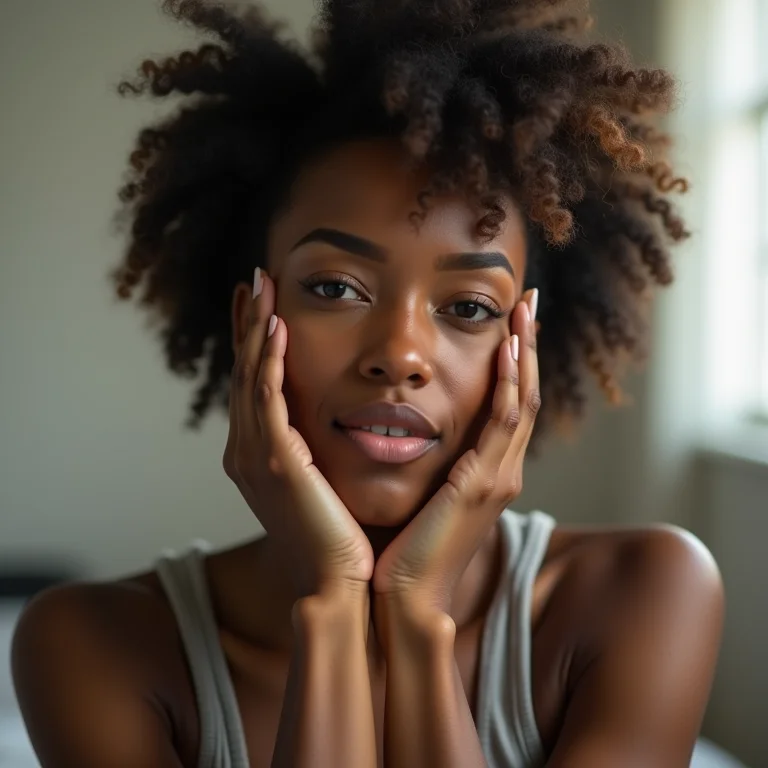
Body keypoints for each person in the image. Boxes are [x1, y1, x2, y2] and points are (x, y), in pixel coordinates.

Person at [11, 1, 725, 766]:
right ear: (252, 313)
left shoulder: (643, 592)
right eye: (335, 289)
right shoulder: (90, 644)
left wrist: (415, 615)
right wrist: (334, 605)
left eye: (468, 307)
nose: (401, 354)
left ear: (524, 350)